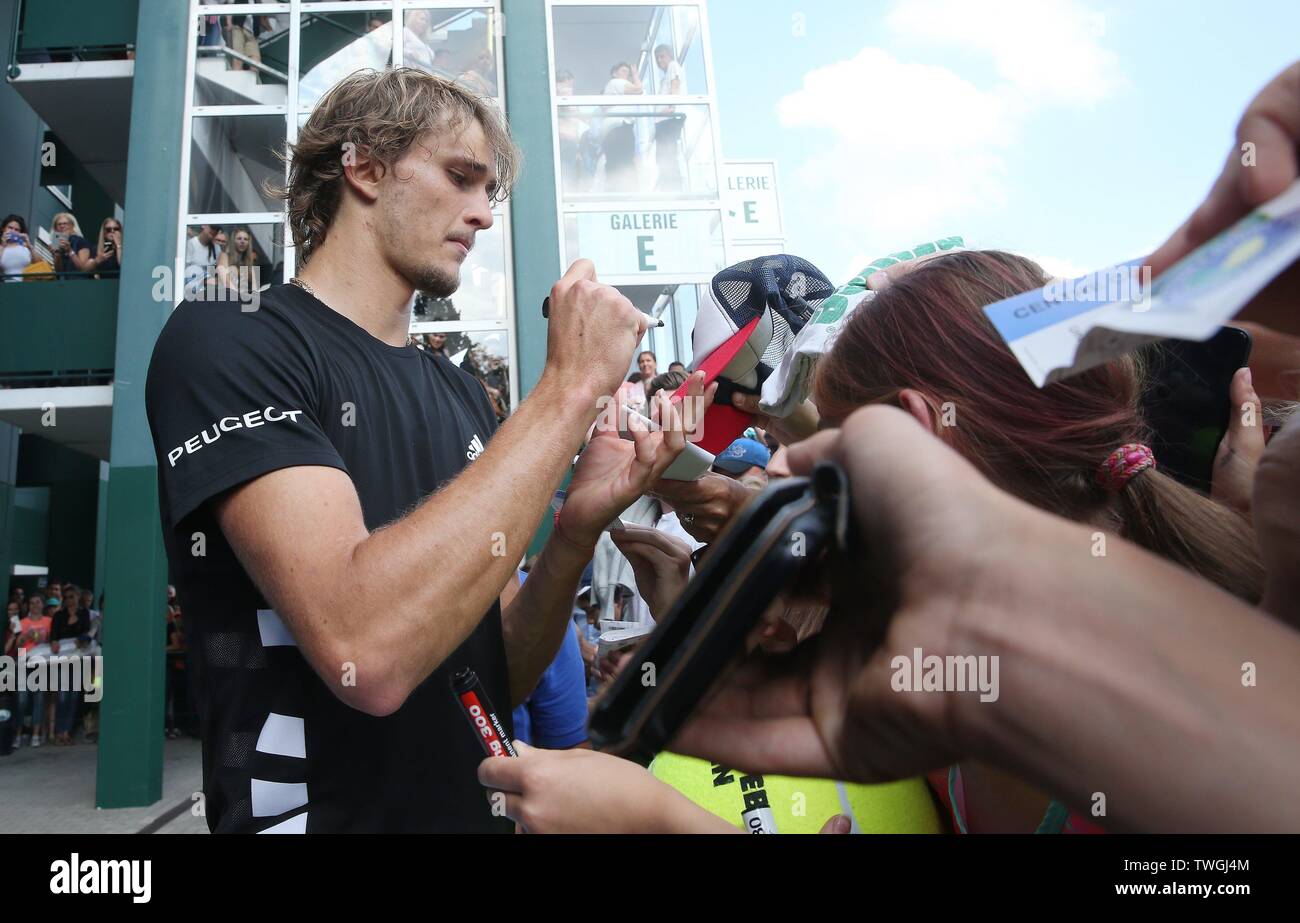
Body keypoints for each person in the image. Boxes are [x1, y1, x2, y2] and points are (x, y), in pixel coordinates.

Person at [144, 67, 682, 833]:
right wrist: (568, 391)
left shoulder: (463, 393)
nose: (482, 215)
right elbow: (367, 649)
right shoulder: (230, 340)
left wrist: (573, 533)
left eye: (487, 191)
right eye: (460, 177)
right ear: (362, 165)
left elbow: (495, 670)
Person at [15, 595, 52, 748]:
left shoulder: (49, 621)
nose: (34, 605)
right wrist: (25, 636)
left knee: (39, 698)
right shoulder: (22, 622)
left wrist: (41, 639)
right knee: (22, 700)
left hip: (41, 663)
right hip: (24, 662)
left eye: (37, 602)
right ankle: (18, 733)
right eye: (31, 602)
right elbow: (18, 644)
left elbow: (52, 641)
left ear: (43, 605)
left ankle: (36, 734)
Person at [601, 63, 643, 193]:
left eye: (627, 73)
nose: (626, 75)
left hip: (615, 129)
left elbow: (638, 93)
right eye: (623, 71)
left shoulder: (618, 89)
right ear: (614, 73)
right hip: (619, 128)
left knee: (616, 162)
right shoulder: (615, 83)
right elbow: (638, 90)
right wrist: (635, 75)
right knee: (624, 162)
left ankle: (615, 191)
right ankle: (627, 192)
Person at [651, 44, 686, 191]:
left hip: (669, 119)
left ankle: (673, 187)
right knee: (663, 156)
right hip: (663, 121)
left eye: (662, 56)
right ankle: (667, 186)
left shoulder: (673, 66)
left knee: (668, 154)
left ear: (669, 56)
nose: (660, 60)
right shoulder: (663, 77)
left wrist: (672, 106)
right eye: (657, 58)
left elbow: (675, 84)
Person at [217, 225, 257, 292]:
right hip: (228, 295)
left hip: (244, 296)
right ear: (233, 241)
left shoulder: (248, 261)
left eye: (245, 239)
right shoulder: (225, 256)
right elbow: (223, 278)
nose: (242, 241)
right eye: (239, 238)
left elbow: (254, 287)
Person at [184, 224, 222, 290]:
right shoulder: (190, 244)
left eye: (217, 229)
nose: (214, 231)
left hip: (209, 290)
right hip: (192, 289)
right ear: (203, 225)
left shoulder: (216, 248)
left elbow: (217, 271)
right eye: (212, 227)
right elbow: (186, 271)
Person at [1, 214, 33, 280]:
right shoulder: (1, 247)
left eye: (16, 230)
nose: (13, 231)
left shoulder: (25, 248)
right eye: (10, 228)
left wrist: (29, 245)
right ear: (3, 229)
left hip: (24, 285)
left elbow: (40, 262)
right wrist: (3, 245)